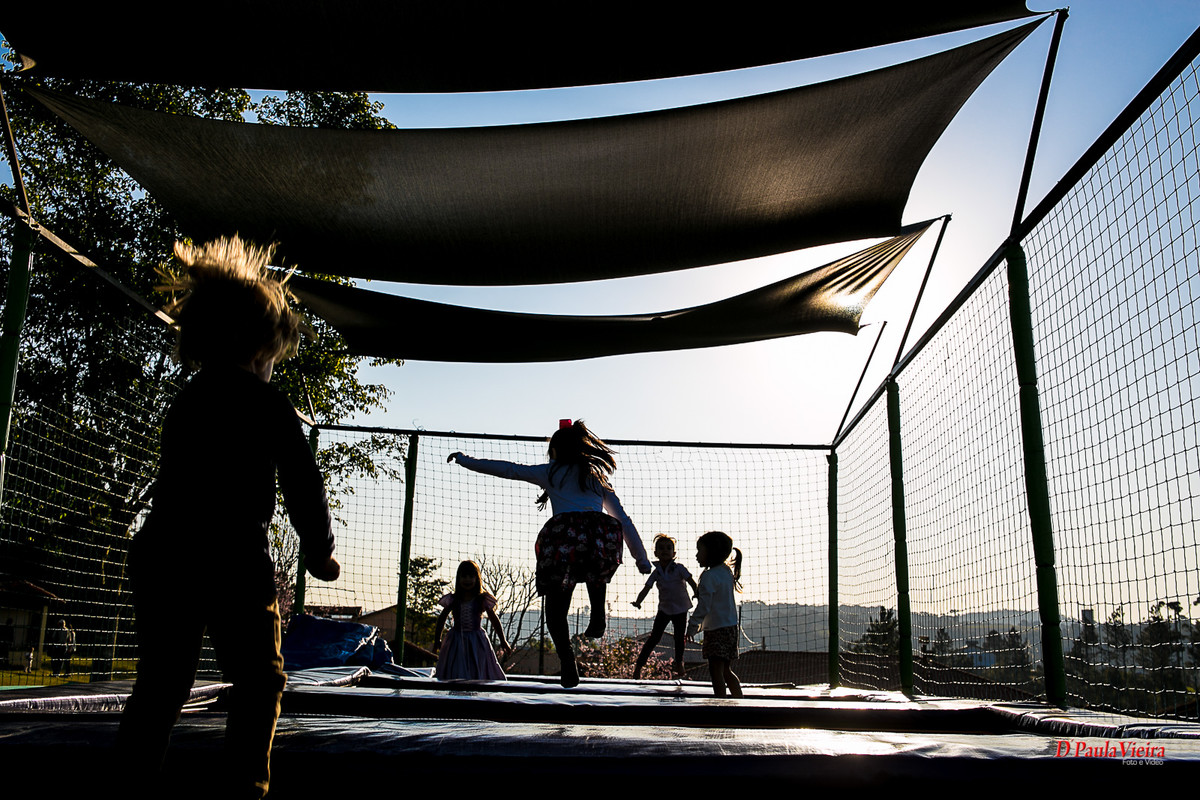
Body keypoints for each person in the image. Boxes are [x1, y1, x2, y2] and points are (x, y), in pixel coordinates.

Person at [117, 237, 341, 799]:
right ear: (255, 348)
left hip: (162, 551)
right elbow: (301, 481)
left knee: (163, 683)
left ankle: (131, 782)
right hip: (231, 557)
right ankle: (247, 789)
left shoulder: (190, 399)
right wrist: (318, 549)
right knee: (260, 679)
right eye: (271, 358)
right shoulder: (266, 404)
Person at [448, 419, 651, 687]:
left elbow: (509, 470)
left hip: (564, 544)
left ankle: (568, 662)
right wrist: (641, 557)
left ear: (555, 450)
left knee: (555, 611)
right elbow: (623, 519)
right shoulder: (596, 478)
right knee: (594, 564)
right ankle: (598, 611)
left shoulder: (551, 472)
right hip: (596, 542)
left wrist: (465, 460)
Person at [686, 531, 743, 698]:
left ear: (711, 552)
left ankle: (721, 702)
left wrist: (692, 627)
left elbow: (704, 606)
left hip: (717, 629)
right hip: (730, 627)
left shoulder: (709, 576)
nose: (697, 555)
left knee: (715, 670)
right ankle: (740, 700)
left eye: (700, 551)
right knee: (726, 670)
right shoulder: (725, 571)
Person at [433, 560, 512, 681]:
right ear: (458, 579)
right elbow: (442, 618)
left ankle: (477, 687)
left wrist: (503, 640)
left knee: (477, 664)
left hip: (476, 640)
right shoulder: (454, 599)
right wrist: (437, 639)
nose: (467, 580)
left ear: (477, 578)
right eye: (464, 576)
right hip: (457, 639)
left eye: (471, 576)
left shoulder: (481, 599)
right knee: (456, 666)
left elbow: (494, 619)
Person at [631, 535, 697, 679]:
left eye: (668, 548)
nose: (665, 551)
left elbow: (691, 580)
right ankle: (639, 667)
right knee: (654, 638)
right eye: (661, 548)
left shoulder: (679, 568)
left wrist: (697, 592)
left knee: (679, 638)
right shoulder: (657, 572)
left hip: (680, 609)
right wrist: (638, 601)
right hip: (664, 609)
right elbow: (646, 587)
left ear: (674, 553)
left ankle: (679, 664)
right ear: (656, 553)